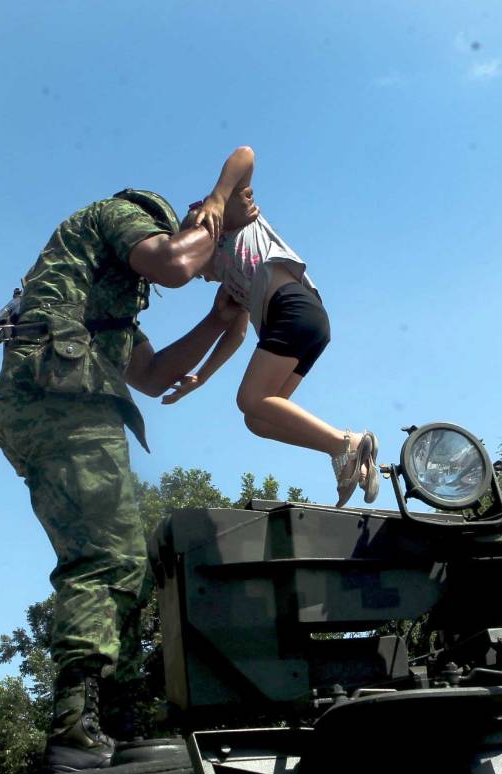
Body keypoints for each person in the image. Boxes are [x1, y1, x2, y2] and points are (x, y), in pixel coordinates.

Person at [0, 185, 257, 772]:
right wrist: (221, 223)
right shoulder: (120, 215)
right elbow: (175, 262)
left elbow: (153, 376)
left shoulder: (104, 298)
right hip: (60, 397)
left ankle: (118, 718)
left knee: (126, 560)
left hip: (56, 401)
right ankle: (73, 726)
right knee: (104, 561)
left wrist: (216, 321)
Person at [160, 146, 380, 507]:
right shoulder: (232, 284)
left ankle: (347, 444)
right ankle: (346, 455)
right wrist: (201, 377)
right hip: (308, 324)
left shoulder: (231, 223)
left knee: (249, 399)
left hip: (293, 307)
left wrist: (217, 198)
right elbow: (237, 334)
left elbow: (245, 155)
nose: (197, 277)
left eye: (194, 266)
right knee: (258, 418)